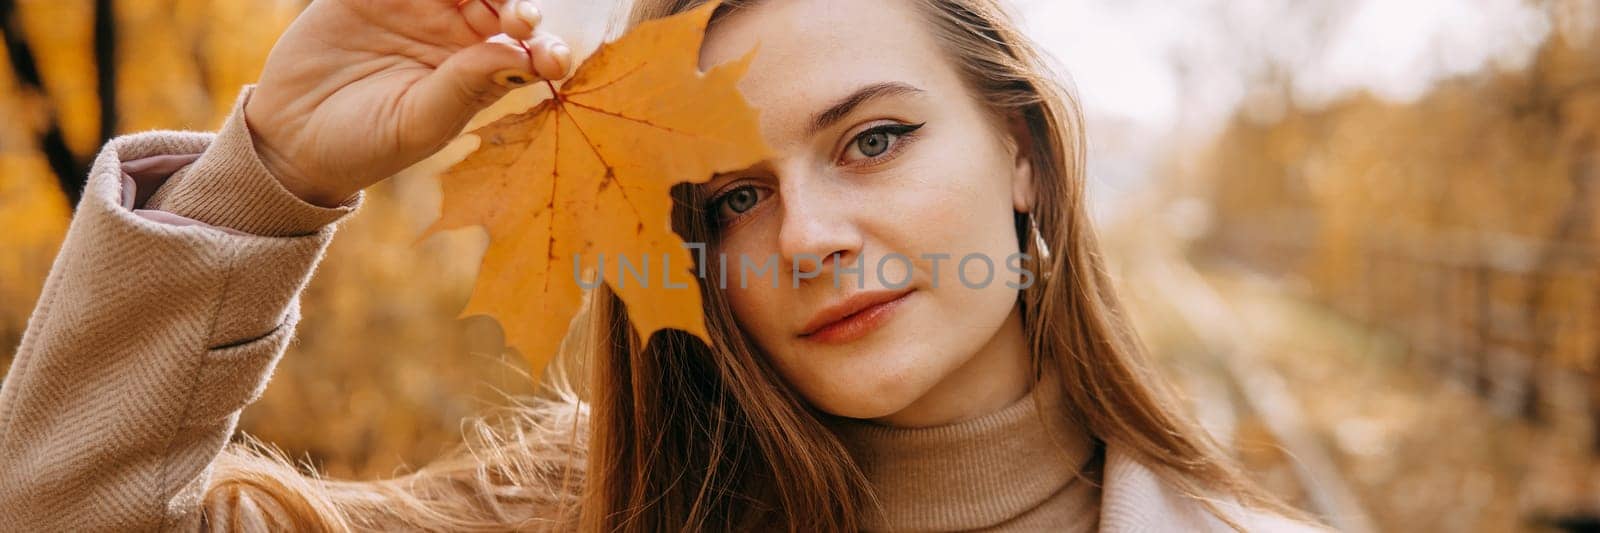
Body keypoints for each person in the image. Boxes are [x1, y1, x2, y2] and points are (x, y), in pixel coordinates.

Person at [0, 0, 1329, 530]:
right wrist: (272, 171)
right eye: (731, 197)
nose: (805, 235)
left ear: (1026, 153)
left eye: (874, 137)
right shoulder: (580, 513)